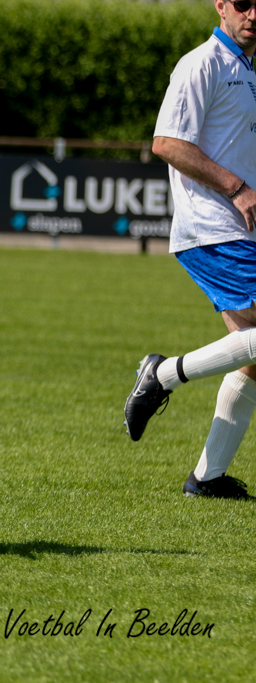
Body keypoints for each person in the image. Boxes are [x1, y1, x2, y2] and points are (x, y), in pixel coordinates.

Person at [124, 0, 256, 499]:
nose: (252, 13)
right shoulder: (201, 63)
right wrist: (237, 188)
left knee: (252, 354)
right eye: (242, 2)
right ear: (220, 5)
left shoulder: (247, 69)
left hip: (241, 230)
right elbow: (167, 143)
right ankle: (161, 374)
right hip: (212, 228)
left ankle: (207, 478)